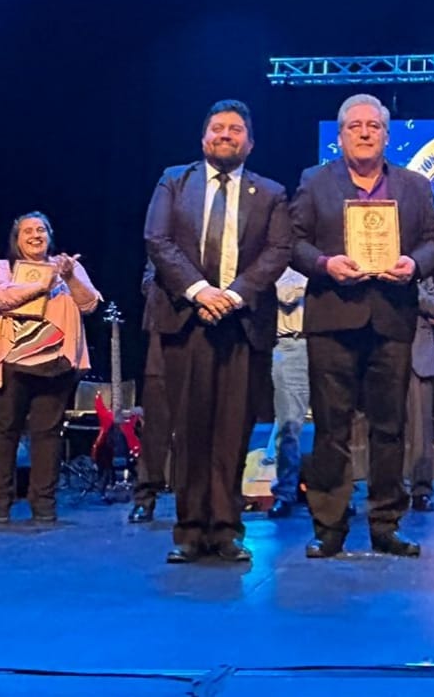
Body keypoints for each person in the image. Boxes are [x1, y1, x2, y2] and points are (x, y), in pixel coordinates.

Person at [289, 94, 434, 559]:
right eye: (354, 126)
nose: (363, 132)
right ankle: (330, 526)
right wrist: (324, 263)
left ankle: (385, 522)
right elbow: (292, 241)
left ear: (385, 135)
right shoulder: (314, 182)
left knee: (389, 426)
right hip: (333, 317)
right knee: (332, 428)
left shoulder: (415, 185)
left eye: (373, 126)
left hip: (391, 317)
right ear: (340, 136)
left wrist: (413, 264)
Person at [144, 100, 292, 563]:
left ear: (250, 141)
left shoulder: (270, 193)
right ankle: (188, 531)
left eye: (235, 129)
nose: (225, 135)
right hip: (185, 322)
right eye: (217, 128)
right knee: (189, 433)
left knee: (233, 432)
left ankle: (227, 530)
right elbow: (158, 241)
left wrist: (232, 295)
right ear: (203, 137)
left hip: (242, 326)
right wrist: (199, 291)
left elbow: (278, 249)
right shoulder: (174, 180)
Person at [0, 212, 99, 523]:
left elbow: (90, 304)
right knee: (4, 433)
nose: (35, 234)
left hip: (55, 363)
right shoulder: (3, 268)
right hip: (11, 363)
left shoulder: (68, 266)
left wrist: (68, 277)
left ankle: (43, 506)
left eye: (41, 229)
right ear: (16, 240)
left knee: (48, 435)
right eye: (27, 230)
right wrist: (42, 283)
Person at [266, 267, 309, 518]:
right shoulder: (280, 255)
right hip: (289, 344)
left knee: (334, 423)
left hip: (327, 340)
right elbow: (285, 294)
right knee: (289, 423)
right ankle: (286, 491)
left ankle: (334, 492)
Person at [129, 259, 169, 523]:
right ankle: (146, 496)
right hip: (164, 336)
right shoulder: (164, 231)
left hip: (208, 334)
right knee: (155, 427)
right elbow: (148, 284)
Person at [405, 278, 434, 512]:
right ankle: (387, 487)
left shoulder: (423, 275)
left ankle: (421, 489)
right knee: (384, 429)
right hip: (383, 355)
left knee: (421, 431)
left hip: (418, 357)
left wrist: (410, 284)